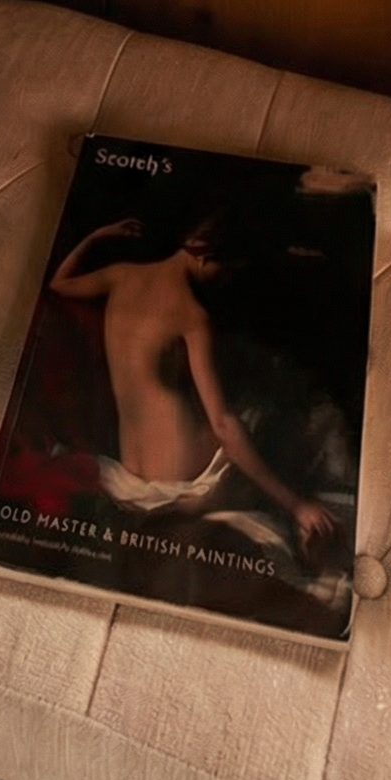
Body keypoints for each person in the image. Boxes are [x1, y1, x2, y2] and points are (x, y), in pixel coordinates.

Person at [50, 210, 337, 559]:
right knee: (250, 419)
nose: (224, 281)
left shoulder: (120, 275)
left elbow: (59, 283)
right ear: (204, 257)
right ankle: (302, 516)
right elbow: (222, 424)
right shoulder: (191, 315)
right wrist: (295, 504)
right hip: (178, 481)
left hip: (130, 473)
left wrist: (96, 236)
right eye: (226, 271)